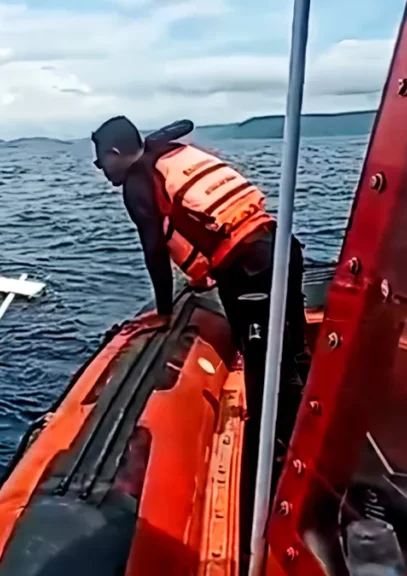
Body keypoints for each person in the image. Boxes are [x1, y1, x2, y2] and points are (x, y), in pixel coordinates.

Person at [91, 114, 311, 553]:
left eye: (101, 161)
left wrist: (163, 312)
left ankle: (281, 476)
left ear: (116, 154)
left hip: (249, 270)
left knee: (267, 373)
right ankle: (311, 429)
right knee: (293, 351)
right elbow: (182, 125)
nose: (100, 170)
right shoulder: (162, 152)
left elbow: (155, 250)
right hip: (283, 247)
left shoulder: (138, 184)